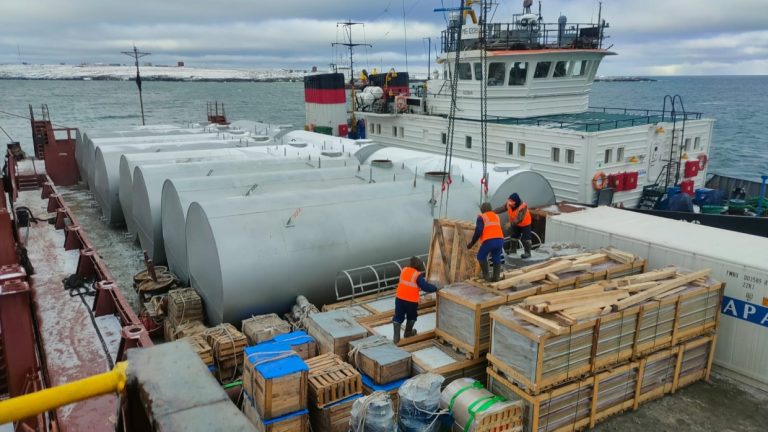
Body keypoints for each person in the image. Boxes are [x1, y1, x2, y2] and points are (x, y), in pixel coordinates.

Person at [393, 256, 438, 344]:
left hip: (399, 298)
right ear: (418, 266)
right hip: (410, 301)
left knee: (398, 316)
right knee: (412, 316)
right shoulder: (417, 275)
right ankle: (408, 333)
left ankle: (396, 338)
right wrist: (435, 288)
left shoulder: (404, 270)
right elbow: (425, 287)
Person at [467, 202, 505, 282]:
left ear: (482, 209)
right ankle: (496, 277)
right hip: (500, 240)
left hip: (489, 241)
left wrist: (471, 243)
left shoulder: (481, 217)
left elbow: (479, 231)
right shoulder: (496, 216)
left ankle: (486, 277)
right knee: (496, 257)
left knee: (481, 256)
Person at [495, 193, 532, 259]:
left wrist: (510, 224)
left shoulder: (523, 206)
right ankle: (512, 250)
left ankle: (527, 252)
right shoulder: (509, 204)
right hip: (515, 223)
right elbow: (502, 208)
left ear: (516, 203)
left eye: (512, 203)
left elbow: (519, 219)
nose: (510, 205)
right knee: (514, 236)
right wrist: (492, 212)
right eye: (509, 202)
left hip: (525, 223)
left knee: (526, 239)